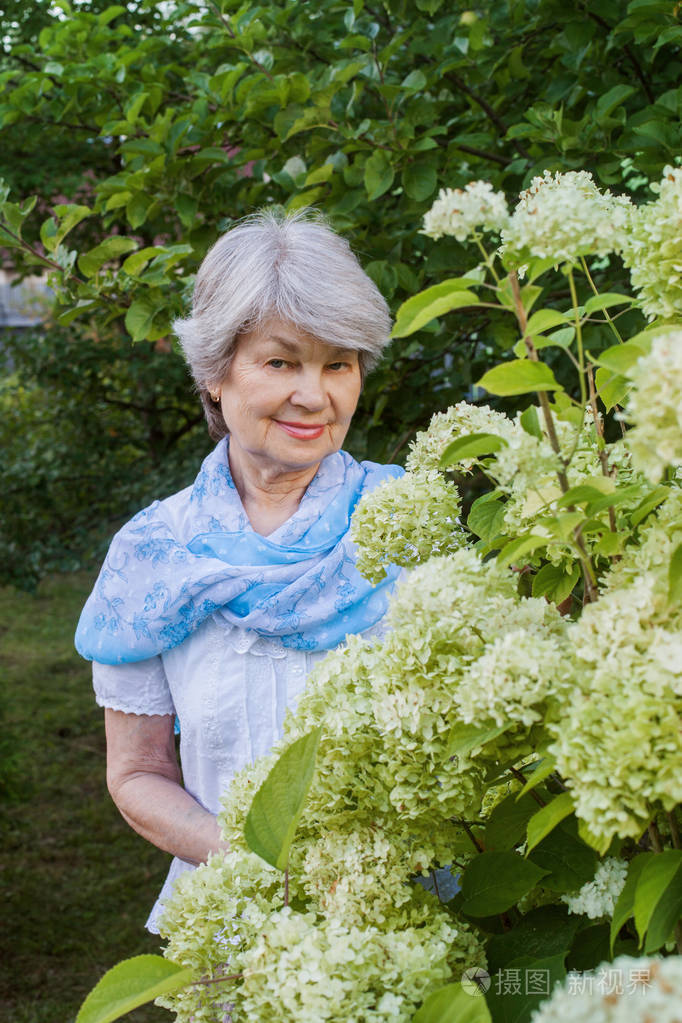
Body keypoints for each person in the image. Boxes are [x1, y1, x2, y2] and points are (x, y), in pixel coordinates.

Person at [75, 209, 404, 932]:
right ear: (215, 375)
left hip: (403, 912)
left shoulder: (409, 525)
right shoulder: (151, 556)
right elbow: (136, 774)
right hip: (233, 922)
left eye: (338, 364)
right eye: (281, 361)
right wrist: (254, 864)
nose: (315, 395)